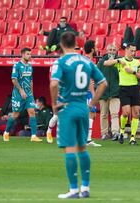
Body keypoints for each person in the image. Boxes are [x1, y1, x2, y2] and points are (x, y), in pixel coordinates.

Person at [50, 32, 107, 199]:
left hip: (67, 107)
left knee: (69, 148)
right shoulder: (86, 61)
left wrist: (54, 104)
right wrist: (92, 102)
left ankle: (74, 189)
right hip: (83, 107)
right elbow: (103, 83)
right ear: (76, 44)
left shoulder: (60, 62)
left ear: (61, 45)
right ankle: (86, 187)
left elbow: (54, 83)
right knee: (82, 147)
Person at [2, 48, 42, 142]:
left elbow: (31, 80)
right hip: (18, 95)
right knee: (15, 115)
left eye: (30, 54)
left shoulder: (30, 66)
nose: (30, 55)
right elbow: (14, 79)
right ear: (23, 54)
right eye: (28, 54)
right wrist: (21, 91)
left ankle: (33, 136)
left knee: (32, 112)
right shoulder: (17, 66)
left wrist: (31, 93)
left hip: (28, 95)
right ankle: (6, 132)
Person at [117, 43, 140, 145]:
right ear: (126, 50)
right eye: (131, 51)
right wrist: (117, 60)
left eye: (134, 51)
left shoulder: (137, 62)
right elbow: (106, 63)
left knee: (136, 113)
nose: (133, 53)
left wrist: (133, 72)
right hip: (124, 88)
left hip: (134, 88)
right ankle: (121, 131)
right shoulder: (121, 61)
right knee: (126, 112)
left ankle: (132, 138)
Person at [97, 44, 123, 140]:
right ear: (107, 51)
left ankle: (115, 132)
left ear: (116, 51)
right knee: (103, 114)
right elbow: (96, 76)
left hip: (115, 92)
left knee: (114, 113)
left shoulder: (120, 62)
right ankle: (104, 133)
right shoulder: (101, 62)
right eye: (110, 49)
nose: (112, 51)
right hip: (103, 93)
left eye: (113, 50)